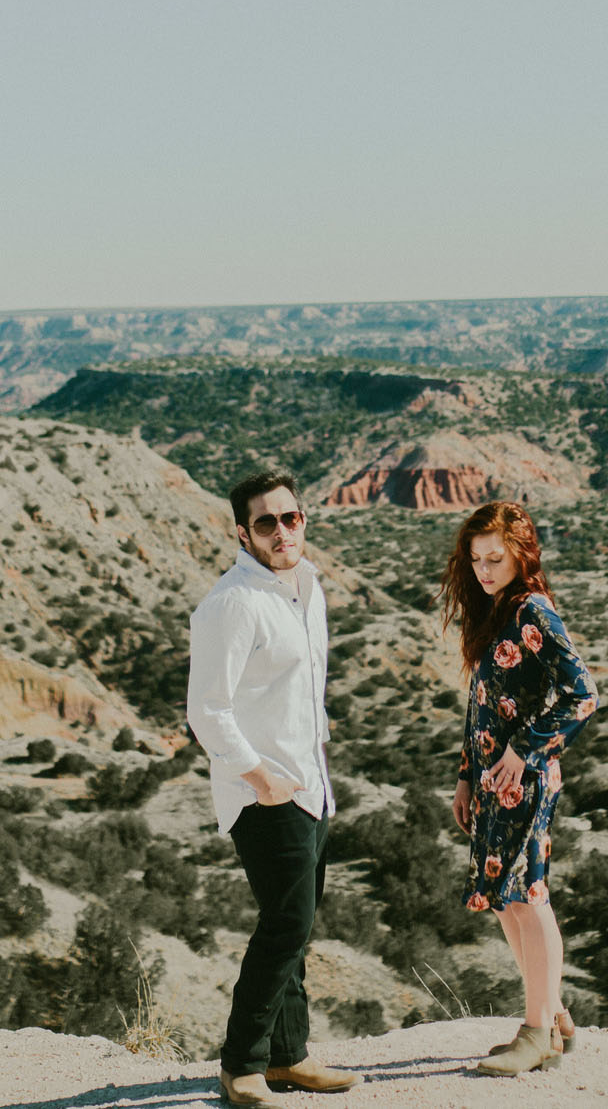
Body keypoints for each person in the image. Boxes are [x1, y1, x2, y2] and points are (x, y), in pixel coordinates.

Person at [186, 471, 361, 1107]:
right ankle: (241, 1065)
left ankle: (289, 1056)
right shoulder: (234, 602)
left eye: (292, 518)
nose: (282, 531)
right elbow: (207, 710)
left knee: (295, 926)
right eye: (267, 522)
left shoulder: (305, 585)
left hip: (311, 784)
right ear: (242, 533)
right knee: (285, 928)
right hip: (265, 793)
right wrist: (259, 778)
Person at [443, 500, 599, 1078]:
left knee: (527, 899)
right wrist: (465, 776)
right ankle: (549, 1015)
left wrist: (524, 748)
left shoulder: (533, 611)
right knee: (505, 901)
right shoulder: (495, 613)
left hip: (524, 780)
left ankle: (538, 1033)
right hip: (490, 783)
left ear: (520, 555)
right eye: (476, 558)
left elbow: (583, 693)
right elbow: (479, 705)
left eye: (495, 558)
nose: (483, 569)